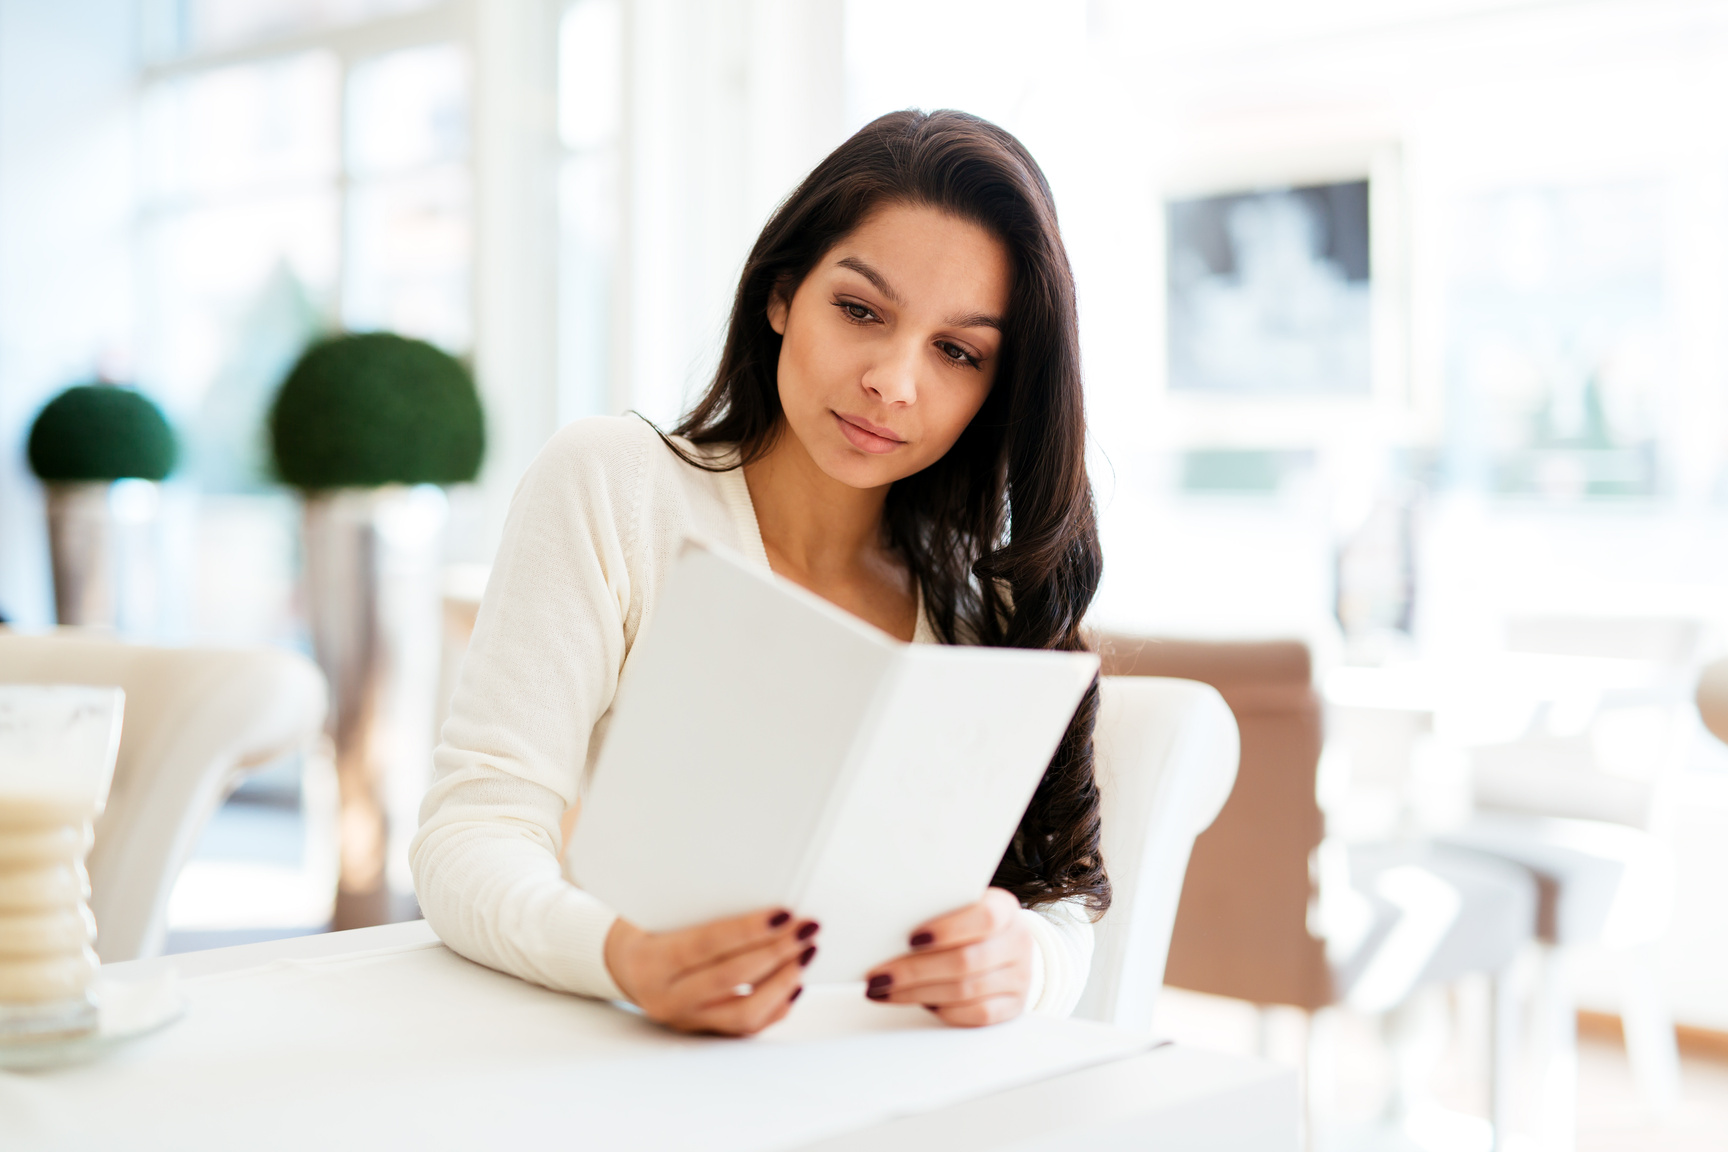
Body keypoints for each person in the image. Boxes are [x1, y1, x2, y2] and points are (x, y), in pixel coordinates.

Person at [412, 109, 1107, 1037]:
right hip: (626, 1059)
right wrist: (624, 956)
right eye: (860, 310)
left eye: (957, 352)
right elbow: (469, 837)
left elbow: (1058, 899)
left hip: (881, 1083)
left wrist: (1027, 963)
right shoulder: (616, 486)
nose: (893, 383)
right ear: (782, 295)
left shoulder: (985, 596)